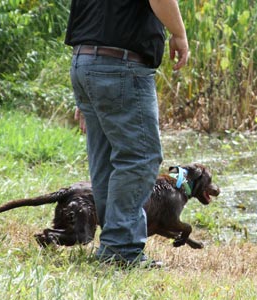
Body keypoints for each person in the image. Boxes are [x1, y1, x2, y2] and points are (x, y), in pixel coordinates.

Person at [66, 0, 189, 267]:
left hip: (84, 60)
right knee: (140, 158)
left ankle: (114, 245)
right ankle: (121, 249)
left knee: (106, 158)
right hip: (119, 65)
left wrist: (90, 82)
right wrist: (179, 34)